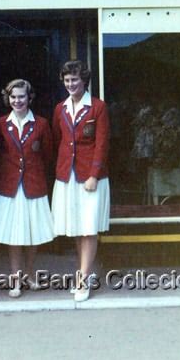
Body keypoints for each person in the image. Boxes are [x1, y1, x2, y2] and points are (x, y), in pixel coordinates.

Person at [51, 60, 110, 302]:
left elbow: (102, 143)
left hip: (90, 178)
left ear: (84, 80)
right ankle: (83, 271)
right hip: (67, 176)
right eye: (67, 80)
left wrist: (94, 175)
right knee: (76, 228)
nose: (71, 84)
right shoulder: (60, 109)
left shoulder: (98, 107)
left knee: (88, 228)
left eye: (75, 79)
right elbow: (59, 140)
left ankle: (83, 279)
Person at [0, 79, 54, 298]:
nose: (17, 101)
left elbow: (47, 154)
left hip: (33, 184)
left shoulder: (41, 124)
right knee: (14, 235)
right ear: (7, 99)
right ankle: (15, 278)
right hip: (9, 186)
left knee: (32, 232)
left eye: (21, 96)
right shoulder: (0, 123)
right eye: (13, 97)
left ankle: (29, 273)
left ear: (30, 97)